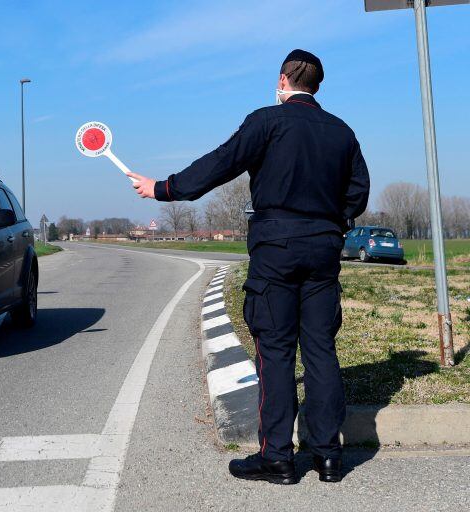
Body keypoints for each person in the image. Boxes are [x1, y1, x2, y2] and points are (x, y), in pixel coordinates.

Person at [128, 49, 370, 485]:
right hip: (323, 251)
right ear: (317, 85)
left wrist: (164, 188)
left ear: (283, 80)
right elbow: (357, 192)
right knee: (320, 348)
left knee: (275, 352)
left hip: (276, 249)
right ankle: (329, 456)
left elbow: (221, 163)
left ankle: (277, 458)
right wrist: (333, 223)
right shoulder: (342, 132)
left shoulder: (267, 121)